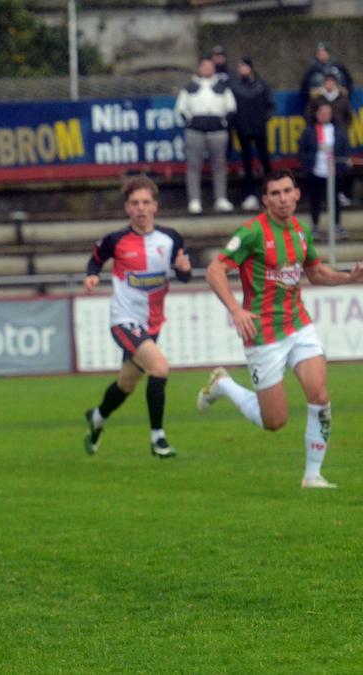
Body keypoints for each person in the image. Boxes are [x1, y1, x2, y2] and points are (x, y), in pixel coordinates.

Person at [199, 169, 363, 488]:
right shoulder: (252, 233)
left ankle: (313, 475)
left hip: (298, 325)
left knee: (320, 394)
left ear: (297, 193)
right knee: (274, 421)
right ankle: (223, 385)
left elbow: (314, 272)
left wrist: (348, 278)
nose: (283, 198)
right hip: (263, 335)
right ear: (265, 199)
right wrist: (236, 309)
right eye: (275, 193)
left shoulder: (301, 231)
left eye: (287, 191)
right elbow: (214, 270)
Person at [81, 176, 192, 459]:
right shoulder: (116, 240)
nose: (141, 208)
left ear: (155, 206)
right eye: (134, 203)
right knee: (160, 368)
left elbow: (184, 275)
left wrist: (183, 268)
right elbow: (96, 257)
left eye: (145, 202)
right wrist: (92, 274)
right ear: (127, 208)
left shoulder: (170, 239)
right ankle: (158, 438)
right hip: (124, 320)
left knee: (126, 383)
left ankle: (97, 417)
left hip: (152, 323)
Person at [176, 57, 237, 214]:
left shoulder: (223, 87)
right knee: (194, 166)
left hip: (217, 131)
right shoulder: (189, 87)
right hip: (195, 131)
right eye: (205, 66)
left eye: (211, 67)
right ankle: (195, 200)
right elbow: (181, 109)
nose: (208, 69)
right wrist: (190, 123)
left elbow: (231, 108)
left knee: (219, 166)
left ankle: (221, 199)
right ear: (199, 68)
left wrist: (223, 123)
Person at [298, 102, 351, 240]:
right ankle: (315, 225)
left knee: (335, 201)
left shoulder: (338, 130)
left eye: (328, 113)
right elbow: (302, 150)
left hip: (333, 171)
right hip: (316, 170)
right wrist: (307, 166)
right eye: (322, 113)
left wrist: (342, 166)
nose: (325, 116)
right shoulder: (309, 131)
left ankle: (337, 225)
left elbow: (345, 148)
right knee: (315, 200)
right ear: (317, 114)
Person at [229, 57, 274, 211]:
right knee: (247, 164)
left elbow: (270, 106)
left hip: (259, 129)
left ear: (251, 68)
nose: (242, 70)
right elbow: (231, 108)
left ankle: (270, 192)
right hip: (242, 130)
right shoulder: (234, 87)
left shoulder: (262, 85)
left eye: (244, 67)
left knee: (265, 162)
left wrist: (263, 120)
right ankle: (250, 195)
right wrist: (237, 123)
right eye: (240, 67)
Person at [299, 42, 354, 115]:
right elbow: (303, 86)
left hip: (337, 100)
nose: (322, 55)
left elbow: (349, 81)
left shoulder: (338, 66)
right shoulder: (312, 69)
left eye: (324, 52)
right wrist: (310, 95)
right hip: (319, 101)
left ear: (329, 53)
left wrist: (345, 91)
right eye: (319, 53)